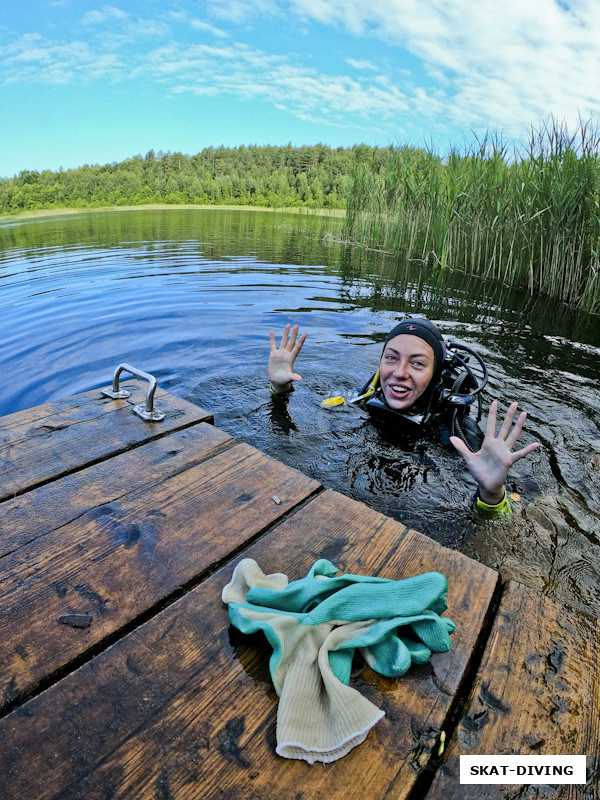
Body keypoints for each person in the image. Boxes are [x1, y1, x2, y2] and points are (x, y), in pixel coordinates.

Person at [268, 319, 540, 516]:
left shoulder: (459, 434)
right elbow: (289, 434)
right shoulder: (358, 401)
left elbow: (510, 515)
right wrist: (280, 391)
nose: (400, 372)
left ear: (435, 373)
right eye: (391, 358)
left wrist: (492, 495)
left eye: (418, 363)